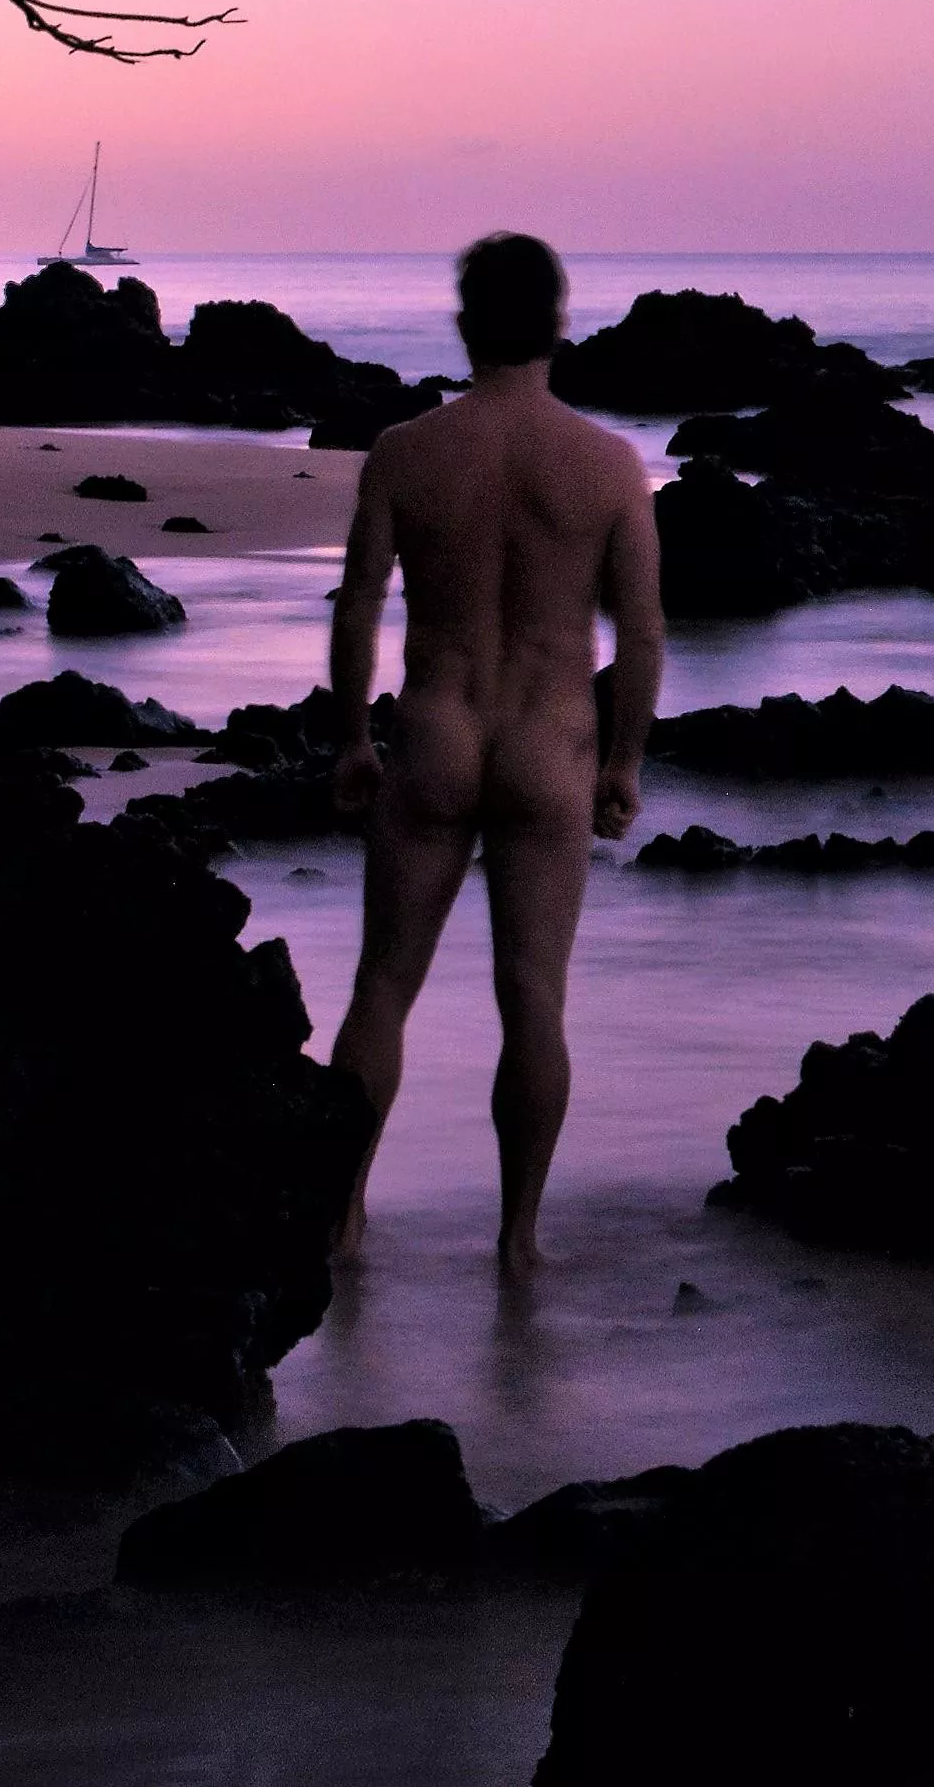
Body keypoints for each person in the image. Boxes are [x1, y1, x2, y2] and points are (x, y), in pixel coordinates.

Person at [322, 232, 663, 1277]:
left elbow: (361, 604)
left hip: (435, 731)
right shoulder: (607, 465)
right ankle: (516, 1240)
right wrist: (621, 765)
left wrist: (350, 738)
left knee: (382, 985)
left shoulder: (405, 451)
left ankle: (339, 1221)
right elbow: (640, 632)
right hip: (546, 744)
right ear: (560, 324)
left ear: (466, 325)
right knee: (533, 997)